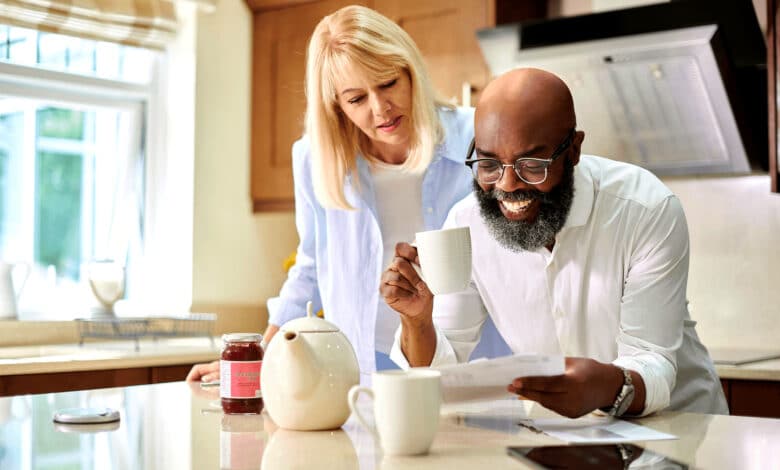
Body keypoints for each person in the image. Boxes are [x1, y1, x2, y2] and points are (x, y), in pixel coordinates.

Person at [186, 5, 509, 383]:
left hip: (471, 361)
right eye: (356, 99)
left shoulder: (477, 138)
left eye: (388, 83)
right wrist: (261, 355)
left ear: (410, 71)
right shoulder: (315, 159)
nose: (380, 108)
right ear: (336, 106)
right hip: (363, 363)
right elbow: (310, 268)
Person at [381, 68, 728, 418]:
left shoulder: (644, 209)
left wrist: (605, 385)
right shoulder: (465, 224)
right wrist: (418, 321)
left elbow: (653, 360)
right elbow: (443, 368)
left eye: (531, 164)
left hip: (684, 428)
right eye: (489, 163)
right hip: (566, 434)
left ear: (573, 150)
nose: (508, 184)